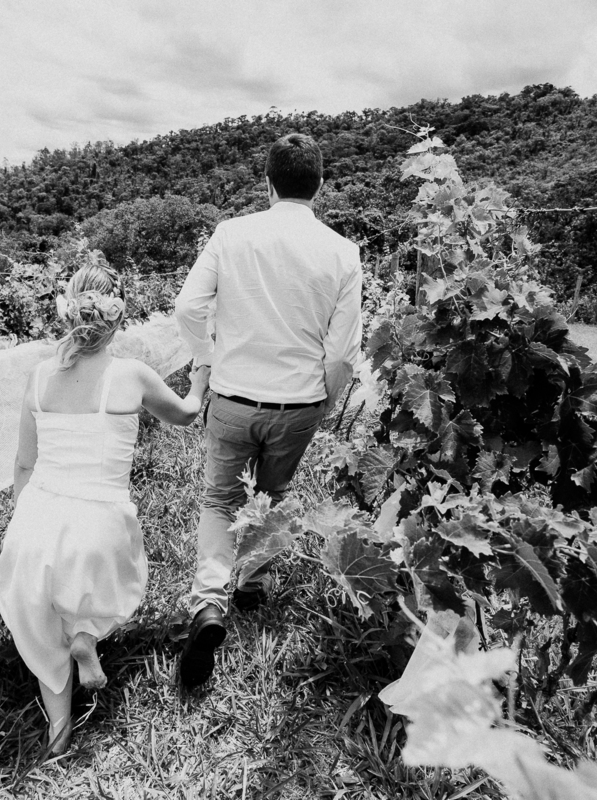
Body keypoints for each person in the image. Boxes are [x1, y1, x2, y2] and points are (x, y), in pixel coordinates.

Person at [0, 261, 210, 754]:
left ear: (66, 312)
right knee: (106, 579)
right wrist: (199, 379)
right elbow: (185, 414)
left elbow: (24, 463)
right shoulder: (131, 375)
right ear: (119, 315)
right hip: (100, 523)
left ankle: (58, 733)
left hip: (38, 520)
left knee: (43, 620)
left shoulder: (39, 377)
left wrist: (21, 524)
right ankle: (88, 633)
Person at [173, 133, 363, 689]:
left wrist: (208, 359)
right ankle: (252, 583)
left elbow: (188, 307)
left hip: (233, 397)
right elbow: (342, 352)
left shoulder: (232, 234)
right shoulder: (343, 252)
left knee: (219, 499)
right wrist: (325, 400)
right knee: (273, 493)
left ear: (268, 182)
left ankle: (209, 602)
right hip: (299, 401)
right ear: (320, 184)